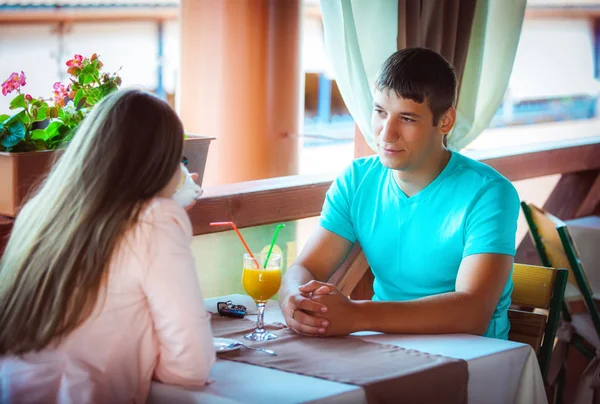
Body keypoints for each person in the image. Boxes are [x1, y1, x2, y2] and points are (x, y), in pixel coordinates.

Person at [279, 47, 520, 340]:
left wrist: (356, 314)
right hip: (383, 344)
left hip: (474, 360)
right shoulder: (356, 180)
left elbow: (472, 312)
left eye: (407, 119)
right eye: (380, 112)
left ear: (445, 121)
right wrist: (294, 298)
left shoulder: (489, 193)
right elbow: (307, 267)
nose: (386, 133)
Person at [0, 89, 215, 403]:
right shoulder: (153, 220)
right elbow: (190, 367)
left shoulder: (40, 212)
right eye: (178, 159)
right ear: (160, 161)